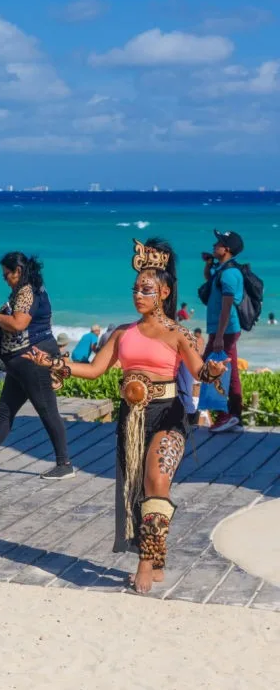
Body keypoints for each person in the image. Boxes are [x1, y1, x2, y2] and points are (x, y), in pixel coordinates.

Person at [25, 238, 228, 593]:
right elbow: (94, 369)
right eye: (135, 289)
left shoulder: (180, 334)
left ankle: (145, 563)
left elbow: (199, 373)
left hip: (170, 415)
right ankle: (157, 553)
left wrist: (212, 370)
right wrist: (55, 363)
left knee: (157, 481)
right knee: (137, 491)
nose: (139, 295)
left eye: (146, 290)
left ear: (163, 292)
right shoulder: (122, 333)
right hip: (131, 418)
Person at [0, 252, 73, 480]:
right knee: (6, 411)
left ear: (17, 271)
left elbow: (19, 324)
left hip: (33, 358)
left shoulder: (27, 291)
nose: (4, 278)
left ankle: (64, 463)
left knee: (47, 410)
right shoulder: (29, 290)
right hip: (21, 362)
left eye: (6, 274)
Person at [200, 229, 245, 433]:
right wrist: (209, 267)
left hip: (224, 331)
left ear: (226, 249)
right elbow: (211, 284)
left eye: (217, 243)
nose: (213, 246)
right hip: (224, 330)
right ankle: (235, 416)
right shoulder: (223, 270)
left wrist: (218, 336)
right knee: (231, 372)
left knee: (211, 369)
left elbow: (227, 307)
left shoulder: (229, 274)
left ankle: (225, 415)